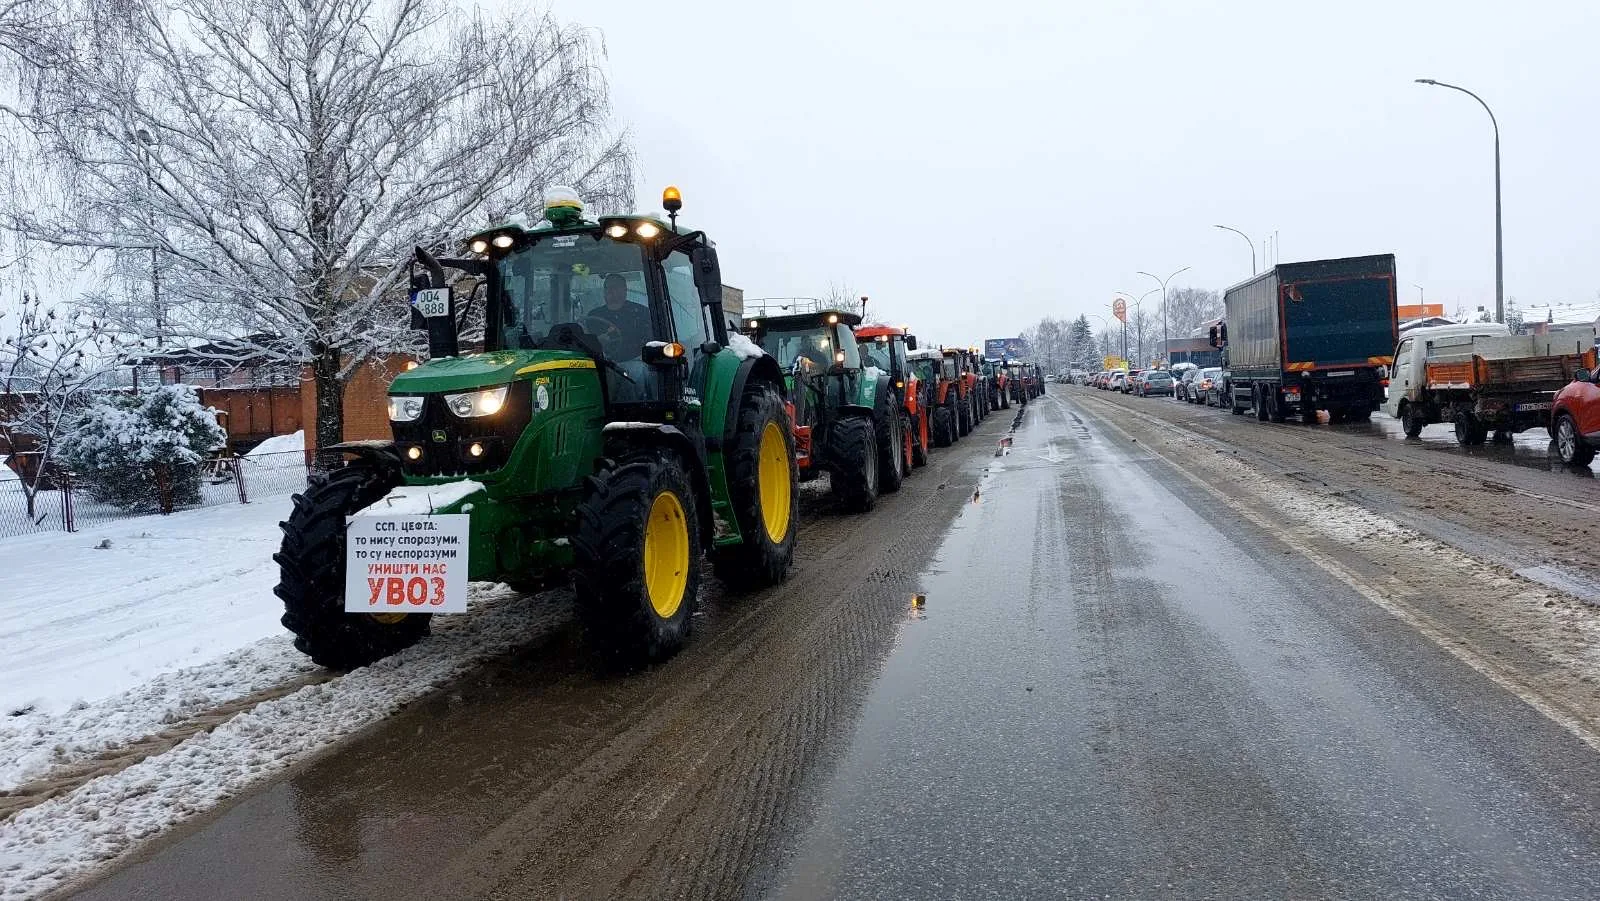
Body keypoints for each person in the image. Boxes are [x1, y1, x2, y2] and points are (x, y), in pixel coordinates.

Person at [585, 274, 654, 359]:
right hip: (602, 362)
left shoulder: (641, 313)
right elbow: (586, 343)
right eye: (607, 287)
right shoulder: (593, 316)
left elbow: (651, 342)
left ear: (624, 290)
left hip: (636, 362)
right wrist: (598, 342)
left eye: (614, 287)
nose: (610, 290)